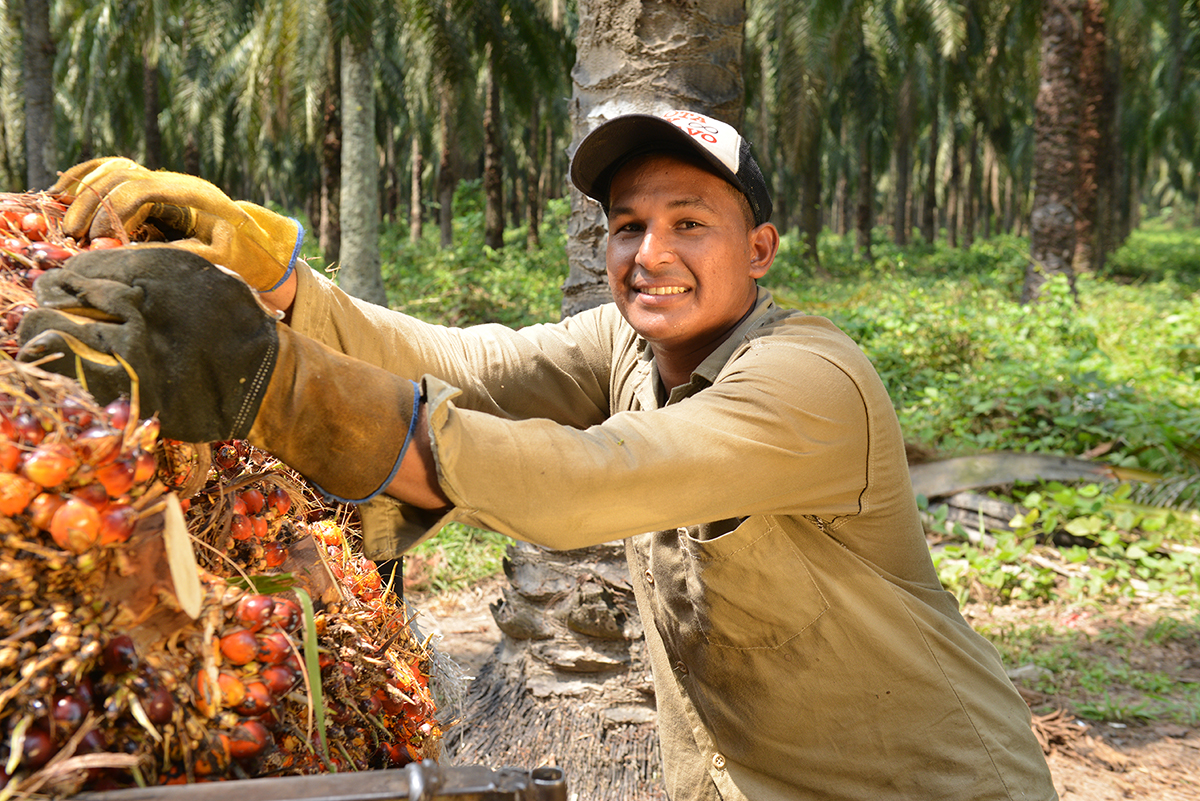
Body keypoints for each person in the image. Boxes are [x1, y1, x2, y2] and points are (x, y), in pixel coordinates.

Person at [19, 109, 1058, 800]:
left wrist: (273, 383)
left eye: (690, 222)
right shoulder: (629, 347)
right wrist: (280, 284)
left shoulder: (809, 385)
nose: (650, 253)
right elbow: (464, 362)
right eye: (627, 224)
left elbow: (580, 484)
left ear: (760, 250)